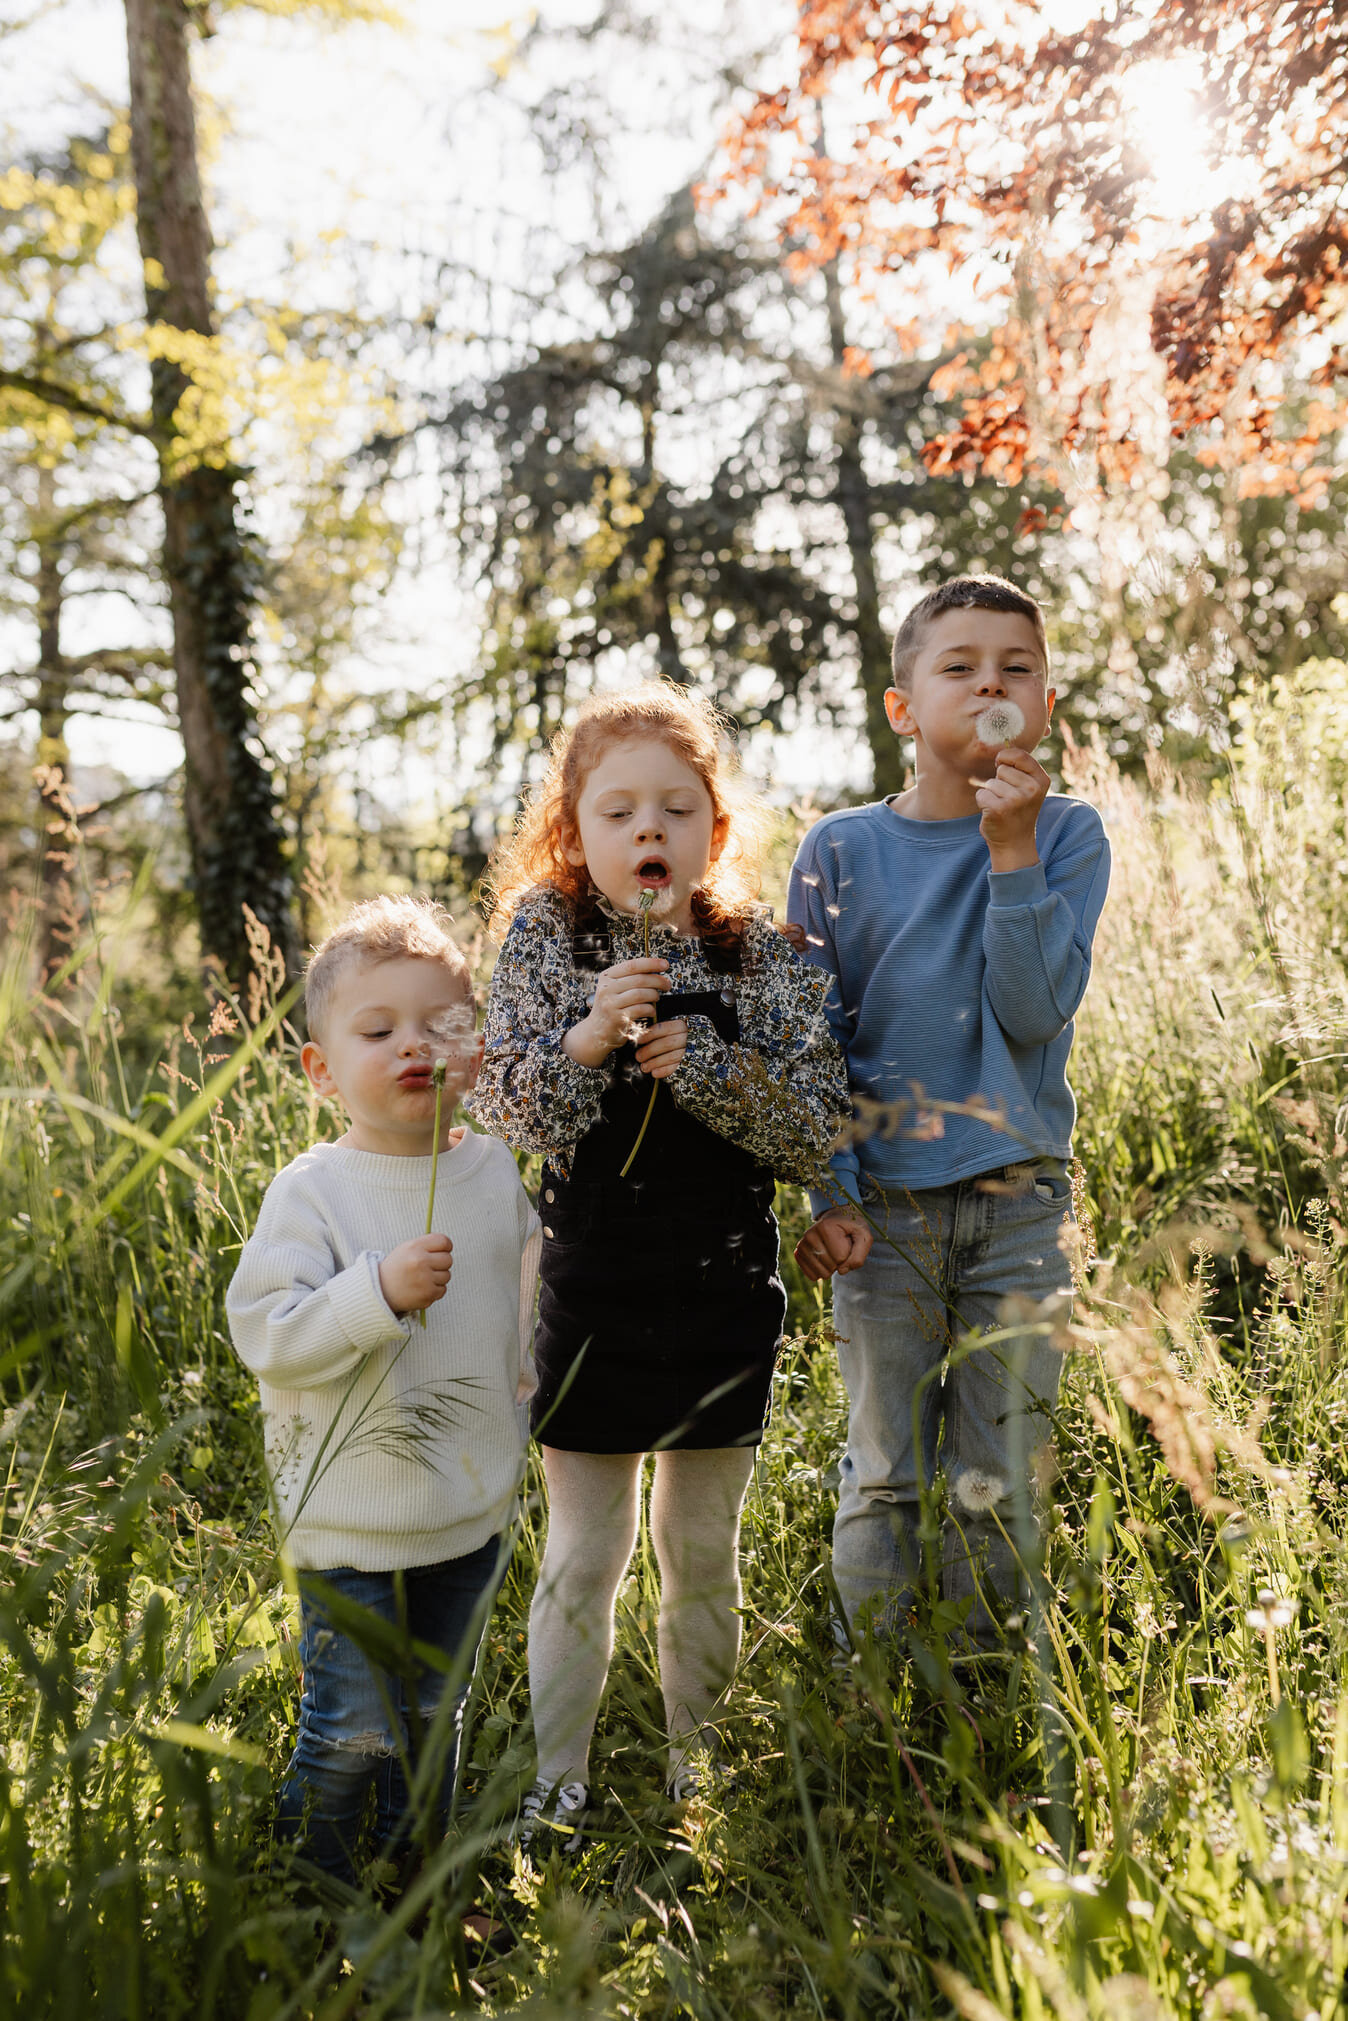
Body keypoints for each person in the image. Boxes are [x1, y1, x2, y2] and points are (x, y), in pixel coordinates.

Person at [471, 682, 846, 1851]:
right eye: (619, 809)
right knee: (586, 1554)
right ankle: (560, 1783)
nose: (649, 831)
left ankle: (698, 1770)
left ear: (714, 831)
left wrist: (715, 1072)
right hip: (591, 1286)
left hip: (721, 1290)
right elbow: (509, 1106)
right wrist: (586, 1037)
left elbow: (819, 1127)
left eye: (675, 810)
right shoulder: (547, 933)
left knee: (699, 1551)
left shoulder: (762, 958)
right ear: (574, 831)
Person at [788, 575, 1110, 1649]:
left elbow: (1032, 1011)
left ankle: (980, 1696)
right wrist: (829, 1191)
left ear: (1045, 703)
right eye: (959, 666)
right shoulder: (839, 850)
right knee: (883, 1467)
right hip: (883, 1211)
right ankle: (866, 1707)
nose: (989, 684)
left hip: (1020, 1207)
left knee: (998, 1471)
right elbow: (810, 1039)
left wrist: (1008, 848)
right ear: (901, 706)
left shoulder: (1065, 835)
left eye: (1015, 667)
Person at [227, 896, 540, 1885]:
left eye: (442, 1026)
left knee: (431, 1715)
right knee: (355, 1726)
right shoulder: (312, 1190)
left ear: (478, 1047)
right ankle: (309, 1886)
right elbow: (268, 1337)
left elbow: (528, 1310)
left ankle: (421, 1877)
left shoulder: (494, 1174)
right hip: (349, 1520)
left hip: (468, 1507)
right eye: (378, 1030)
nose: (415, 1046)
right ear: (323, 1069)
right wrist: (375, 1293)